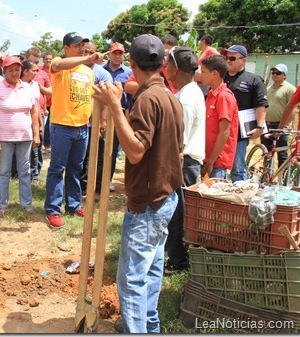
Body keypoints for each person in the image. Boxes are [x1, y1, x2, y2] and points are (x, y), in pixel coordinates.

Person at [92, 34, 183, 333]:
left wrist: (115, 107)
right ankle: (149, 326)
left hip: (148, 202)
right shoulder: (169, 97)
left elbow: (134, 152)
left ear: (132, 63)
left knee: (131, 280)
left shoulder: (147, 99)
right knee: (152, 269)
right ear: (163, 63)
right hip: (165, 197)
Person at [44, 32, 103, 228]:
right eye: (77, 45)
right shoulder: (60, 64)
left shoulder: (88, 72)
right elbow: (57, 66)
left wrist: (97, 119)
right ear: (66, 47)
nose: (81, 48)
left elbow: (91, 98)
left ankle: (73, 204)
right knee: (57, 169)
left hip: (82, 127)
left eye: (83, 45)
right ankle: (52, 209)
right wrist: (87, 58)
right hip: (62, 126)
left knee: (75, 169)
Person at [164, 46, 206, 274]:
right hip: (187, 160)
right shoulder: (190, 91)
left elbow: (182, 137)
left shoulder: (187, 97)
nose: (165, 68)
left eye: (168, 64)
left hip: (185, 161)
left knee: (178, 213)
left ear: (176, 68)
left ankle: (178, 261)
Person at [0, 56, 40, 215]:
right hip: (5, 138)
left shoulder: (28, 87)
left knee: (25, 171)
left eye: (17, 69)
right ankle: (2, 204)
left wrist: (36, 134)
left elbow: (34, 112)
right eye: (10, 70)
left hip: (25, 137)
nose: (14, 73)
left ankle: (26, 203)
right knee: (4, 171)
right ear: (4, 71)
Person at [221, 45, 268, 182]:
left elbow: (260, 105)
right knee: (217, 166)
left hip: (239, 132)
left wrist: (259, 127)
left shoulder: (253, 80)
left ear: (243, 60)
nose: (228, 61)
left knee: (237, 168)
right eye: (226, 58)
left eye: (232, 58)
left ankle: (240, 197)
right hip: (219, 129)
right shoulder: (219, 77)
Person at [80, 41, 113, 201]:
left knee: (99, 158)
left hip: (96, 124)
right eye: (84, 52)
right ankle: (80, 188)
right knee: (81, 159)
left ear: (96, 53)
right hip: (79, 123)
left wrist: (103, 121)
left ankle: (97, 189)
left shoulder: (103, 74)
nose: (87, 55)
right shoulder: (75, 71)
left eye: (90, 52)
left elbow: (107, 99)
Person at [200, 54, 239, 179]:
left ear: (214, 74)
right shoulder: (211, 95)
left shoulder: (224, 96)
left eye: (203, 72)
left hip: (217, 164)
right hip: (208, 160)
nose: (200, 75)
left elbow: (224, 132)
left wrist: (211, 162)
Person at [102, 42, 132, 193]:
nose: (117, 56)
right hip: (100, 115)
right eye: (115, 53)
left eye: (120, 53)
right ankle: (93, 179)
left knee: (112, 150)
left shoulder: (128, 73)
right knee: (99, 148)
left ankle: (108, 179)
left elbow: (130, 98)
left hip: (119, 115)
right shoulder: (100, 70)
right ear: (109, 54)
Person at [25, 47, 52, 182]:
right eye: (32, 61)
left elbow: (45, 94)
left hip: (39, 113)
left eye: (36, 61)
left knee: (37, 146)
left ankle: (35, 174)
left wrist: (42, 119)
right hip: (24, 117)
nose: (35, 65)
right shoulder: (19, 75)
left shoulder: (41, 75)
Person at [261, 64, 296, 167]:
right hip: (267, 125)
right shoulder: (268, 88)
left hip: (280, 125)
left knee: (282, 153)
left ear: (284, 75)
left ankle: (283, 179)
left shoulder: (289, 89)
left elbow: (293, 108)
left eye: (278, 73)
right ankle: (266, 176)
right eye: (273, 73)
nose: (275, 75)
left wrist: (286, 124)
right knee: (267, 152)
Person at [39, 52, 53, 151]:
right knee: (43, 123)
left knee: (50, 123)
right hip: (43, 102)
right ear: (43, 60)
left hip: (53, 101)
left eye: (50, 59)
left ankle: (48, 143)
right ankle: (45, 143)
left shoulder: (55, 70)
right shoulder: (39, 70)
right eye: (46, 59)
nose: (48, 60)